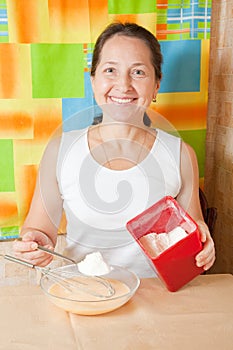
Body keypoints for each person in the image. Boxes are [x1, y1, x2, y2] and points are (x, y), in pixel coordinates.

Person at [13, 22, 215, 277]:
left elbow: (192, 233)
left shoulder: (180, 154)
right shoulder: (60, 150)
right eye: (110, 70)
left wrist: (203, 245)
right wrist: (35, 244)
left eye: (138, 72)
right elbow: (39, 230)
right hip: (86, 296)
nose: (123, 85)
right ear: (94, 80)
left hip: (159, 301)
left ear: (156, 85)